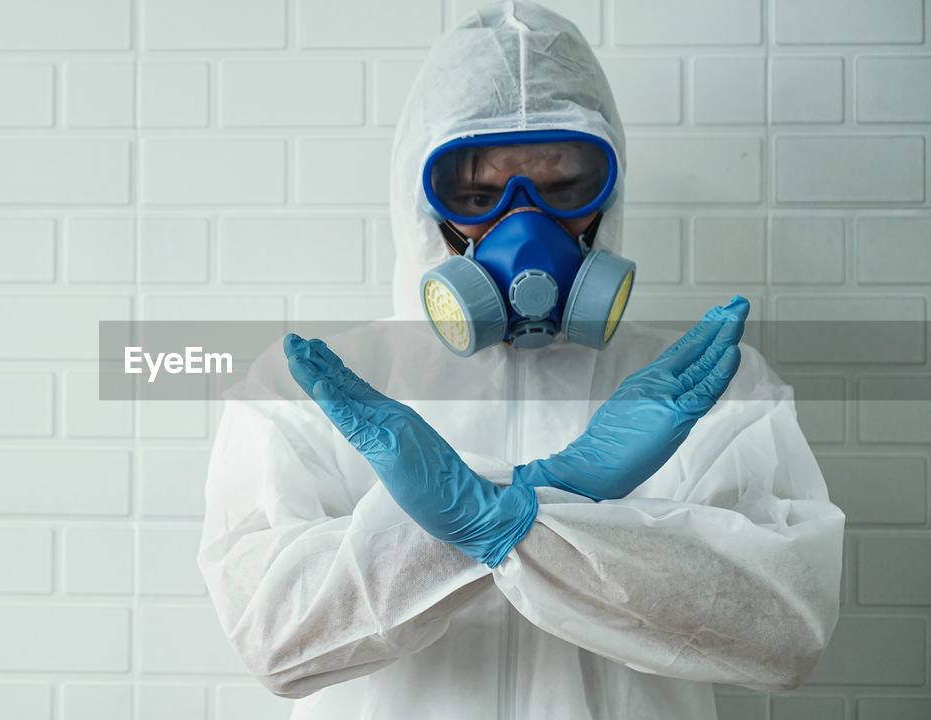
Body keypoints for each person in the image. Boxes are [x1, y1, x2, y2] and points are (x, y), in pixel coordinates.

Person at [196, 2, 845, 718]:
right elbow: (277, 640)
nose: (524, 226)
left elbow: (781, 632)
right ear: (422, 204)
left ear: (609, 192)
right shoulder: (313, 391)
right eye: (476, 194)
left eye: (564, 189)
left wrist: (502, 518)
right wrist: (524, 506)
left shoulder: (707, 381)